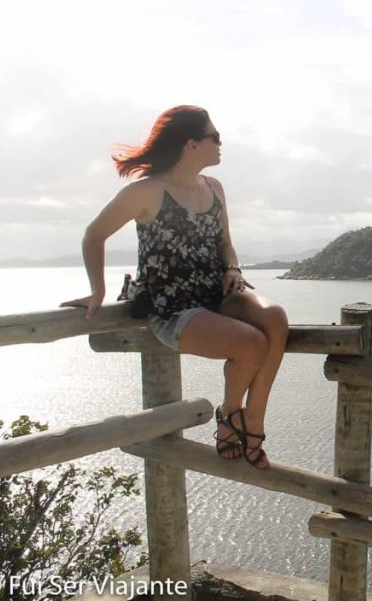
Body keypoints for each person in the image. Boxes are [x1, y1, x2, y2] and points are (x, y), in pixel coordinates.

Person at [61, 105, 288, 470]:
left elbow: (225, 242)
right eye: (214, 136)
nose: (220, 143)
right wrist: (97, 290)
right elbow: (94, 234)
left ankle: (254, 421)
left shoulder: (215, 188)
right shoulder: (147, 192)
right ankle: (231, 418)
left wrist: (231, 266)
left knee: (275, 317)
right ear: (190, 144)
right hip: (174, 310)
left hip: (218, 295)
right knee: (251, 344)